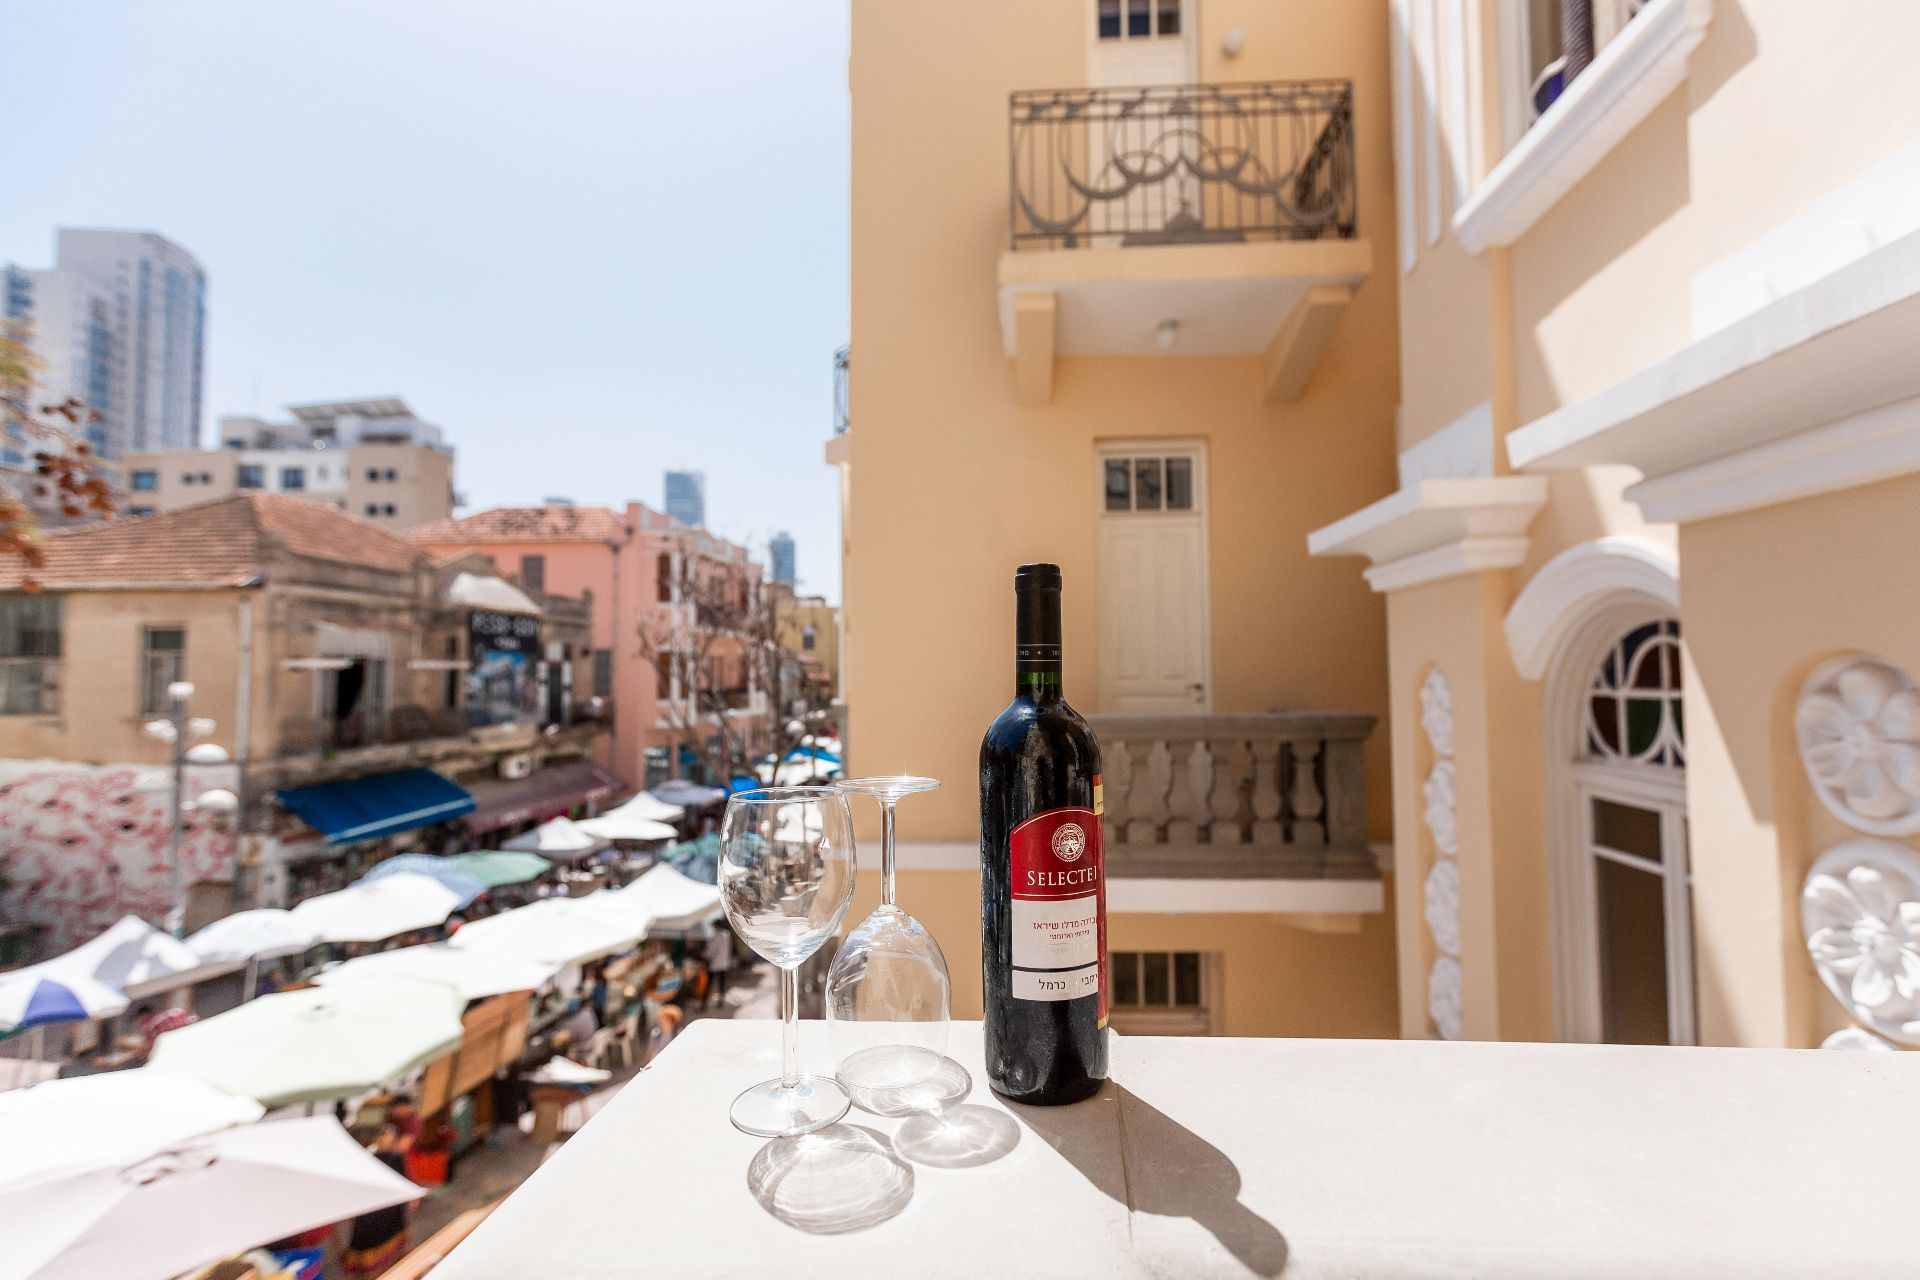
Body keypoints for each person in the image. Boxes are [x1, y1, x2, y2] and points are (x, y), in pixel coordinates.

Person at [342, 1125, 411, 1277]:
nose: (385, 1143)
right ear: (376, 1140)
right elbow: (354, 1188)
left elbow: (404, 1177)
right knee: (367, 1242)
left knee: (391, 1239)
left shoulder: (396, 1157)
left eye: (389, 1140)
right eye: (382, 1139)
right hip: (369, 1211)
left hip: (391, 1208)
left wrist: (410, 1197)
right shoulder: (365, 1160)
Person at [702, 924, 735, 1009]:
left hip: (715, 963)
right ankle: (720, 1001)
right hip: (723, 963)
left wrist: (704, 955)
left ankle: (704, 1002)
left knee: (709, 983)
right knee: (721, 983)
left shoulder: (716, 936)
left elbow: (711, 950)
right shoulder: (726, 935)